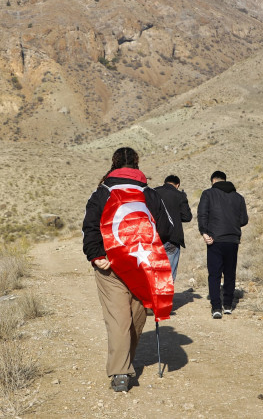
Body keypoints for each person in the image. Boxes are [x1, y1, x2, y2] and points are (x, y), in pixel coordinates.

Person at [82, 147, 172, 393]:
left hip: (109, 265)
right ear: (136, 164)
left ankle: (121, 369)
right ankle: (122, 367)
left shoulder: (102, 192)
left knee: (120, 318)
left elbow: (90, 226)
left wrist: (96, 255)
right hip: (141, 264)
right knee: (135, 318)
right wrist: (148, 248)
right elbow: (166, 228)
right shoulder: (150, 194)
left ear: (113, 164)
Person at [197, 170, 248, 319]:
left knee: (214, 274)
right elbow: (244, 220)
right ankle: (228, 305)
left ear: (213, 181)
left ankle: (216, 308)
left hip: (214, 239)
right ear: (225, 180)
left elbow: (202, 214)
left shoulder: (208, 194)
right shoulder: (238, 197)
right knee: (230, 273)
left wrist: (204, 232)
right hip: (232, 239)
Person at [154, 175, 192, 282]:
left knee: (154, 272)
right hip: (172, 238)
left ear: (165, 182)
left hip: (154, 237)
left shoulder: (153, 192)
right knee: (168, 275)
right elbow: (187, 217)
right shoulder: (179, 195)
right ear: (177, 185)